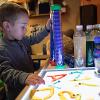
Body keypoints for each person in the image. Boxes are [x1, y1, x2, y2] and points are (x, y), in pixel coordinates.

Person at [0, 2, 50, 100]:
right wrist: (24, 77)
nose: (25, 30)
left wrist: (46, 28)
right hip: (17, 95)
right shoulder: (2, 48)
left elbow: (34, 38)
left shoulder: (21, 39)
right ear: (7, 26)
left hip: (30, 87)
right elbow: (5, 72)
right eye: (23, 26)